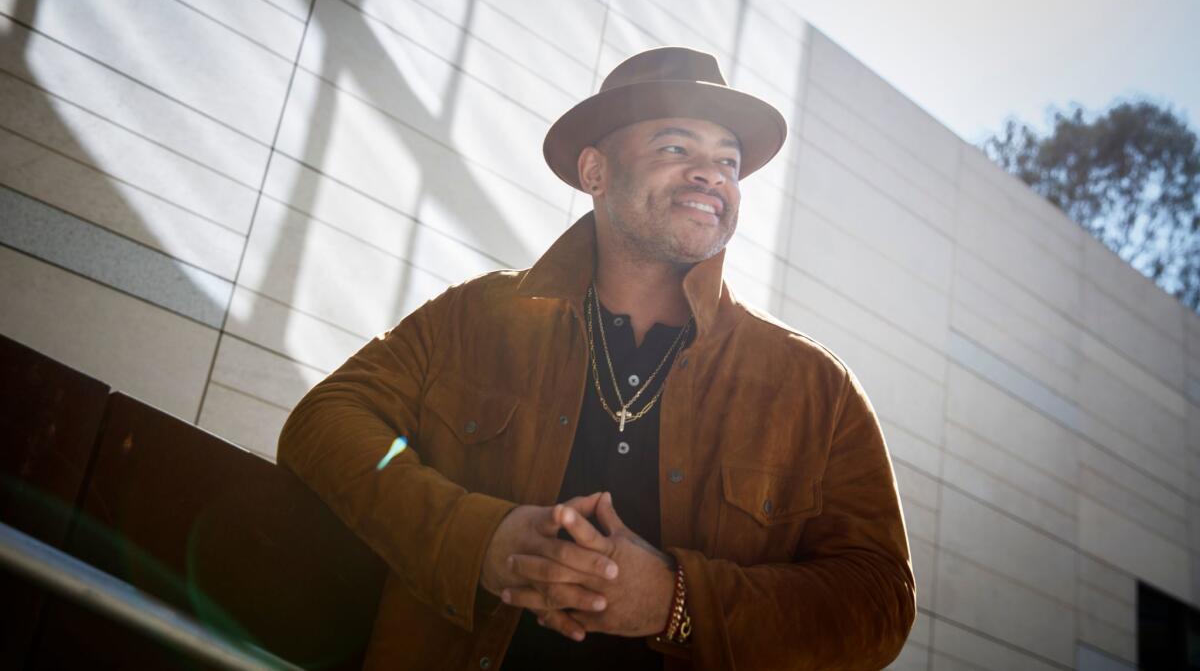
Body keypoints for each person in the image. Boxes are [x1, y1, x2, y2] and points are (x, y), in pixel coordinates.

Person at [278, 46, 916, 670]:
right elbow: (323, 421)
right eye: (676, 148)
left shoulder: (815, 387)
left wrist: (675, 601)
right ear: (595, 171)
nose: (712, 174)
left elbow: (879, 600)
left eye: (728, 159)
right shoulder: (476, 315)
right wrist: (479, 539)